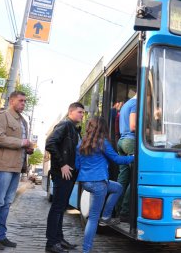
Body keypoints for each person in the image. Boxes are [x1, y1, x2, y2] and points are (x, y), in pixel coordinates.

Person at [75, 117, 134, 253]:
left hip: (86, 183)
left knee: (118, 187)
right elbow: (117, 159)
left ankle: (106, 216)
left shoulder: (80, 144)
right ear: (102, 128)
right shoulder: (103, 143)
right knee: (93, 218)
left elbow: (77, 165)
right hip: (99, 183)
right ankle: (86, 250)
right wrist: (133, 157)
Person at [0, 91, 34, 250]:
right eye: (21, 101)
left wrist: (28, 148)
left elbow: (21, 144)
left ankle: (1, 235)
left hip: (16, 167)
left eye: (25, 101)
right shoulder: (2, 116)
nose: (23, 104)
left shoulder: (23, 121)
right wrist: (22, 142)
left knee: (6, 203)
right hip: (3, 166)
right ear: (12, 101)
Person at [45, 102, 84, 253]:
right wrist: (62, 164)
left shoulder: (74, 129)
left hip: (70, 174)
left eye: (83, 112)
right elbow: (50, 143)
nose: (82, 115)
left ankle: (59, 239)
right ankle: (51, 244)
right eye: (80, 112)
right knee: (57, 208)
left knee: (61, 207)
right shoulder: (65, 125)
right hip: (63, 173)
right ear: (71, 112)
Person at [115, 94, 136, 222]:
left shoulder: (126, 104)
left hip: (122, 142)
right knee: (135, 178)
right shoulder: (135, 103)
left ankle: (117, 209)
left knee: (122, 178)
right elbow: (133, 126)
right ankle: (125, 212)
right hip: (131, 142)